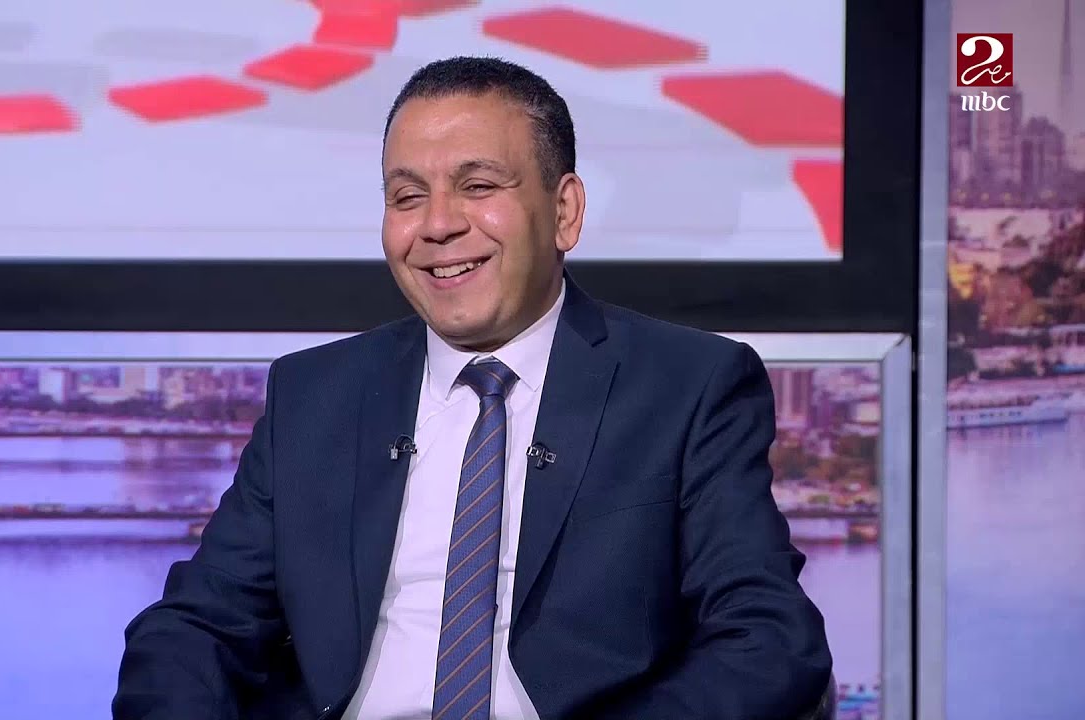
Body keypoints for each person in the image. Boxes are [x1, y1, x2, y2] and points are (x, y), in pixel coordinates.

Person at [113, 56, 833, 720]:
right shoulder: (316, 393)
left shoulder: (687, 385)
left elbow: (768, 641)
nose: (437, 225)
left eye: (479, 187)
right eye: (407, 196)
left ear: (564, 212)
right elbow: (196, 627)